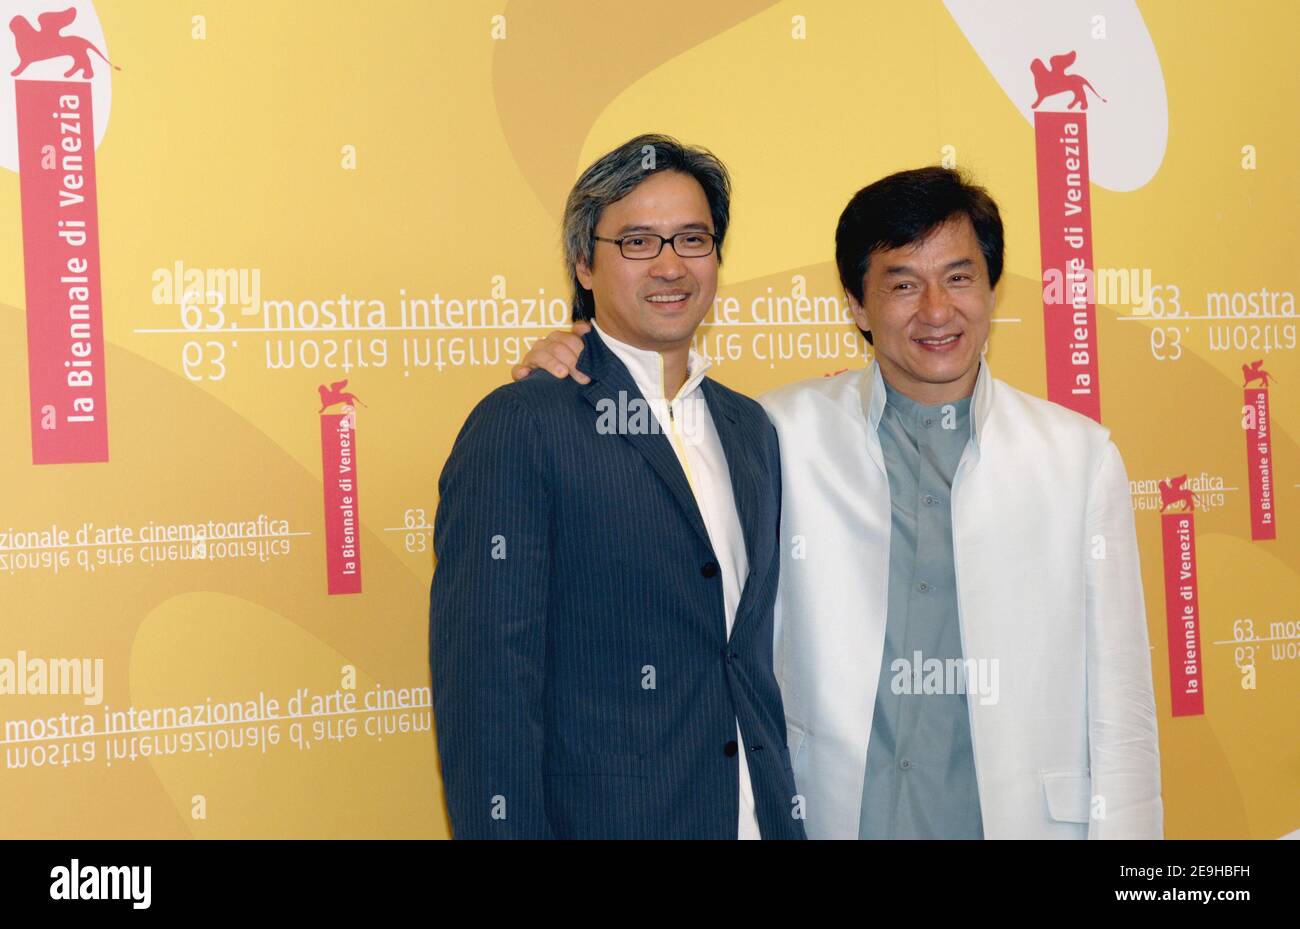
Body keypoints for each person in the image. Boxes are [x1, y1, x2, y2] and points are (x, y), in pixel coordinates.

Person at [512, 166, 1163, 839]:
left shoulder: (1079, 458)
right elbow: (657, 449)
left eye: (960, 277)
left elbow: (1122, 708)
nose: (936, 310)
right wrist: (575, 367)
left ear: (992, 290)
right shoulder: (774, 434)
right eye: (903, 283)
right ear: (856, 303)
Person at [429, 134, 805, 839]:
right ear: (584, 263)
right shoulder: (523, 425)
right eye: (637, 242)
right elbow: (488, 697)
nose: (670, 264)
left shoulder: (749, 428)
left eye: (692, 238)